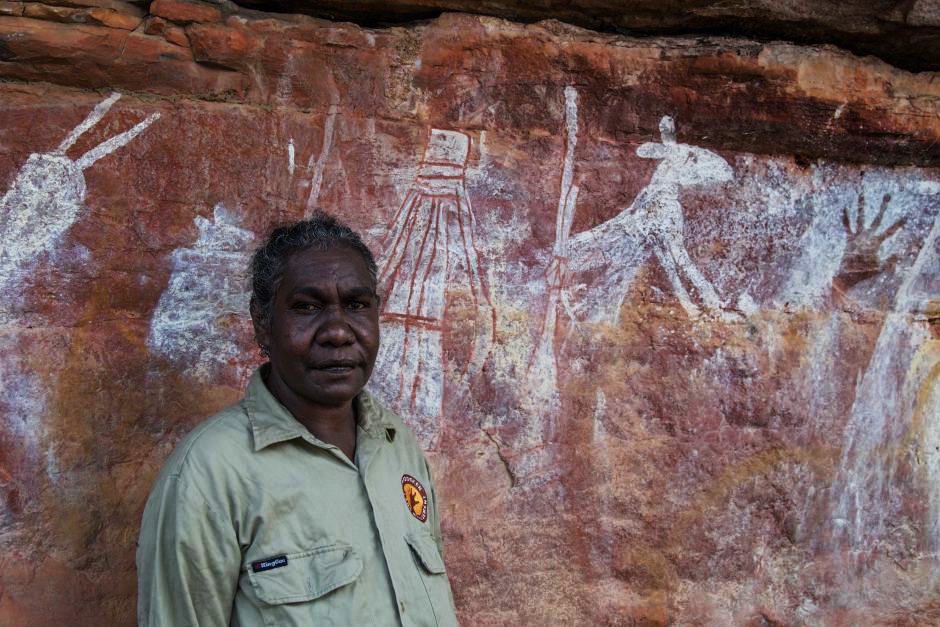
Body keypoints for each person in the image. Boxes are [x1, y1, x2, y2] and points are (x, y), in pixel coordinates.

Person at [137, 212, 459, 626]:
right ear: (263, 324)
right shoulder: (209, 475)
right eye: (307, 307)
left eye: (357, 305)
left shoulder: (396, 445)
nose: (338, 332)